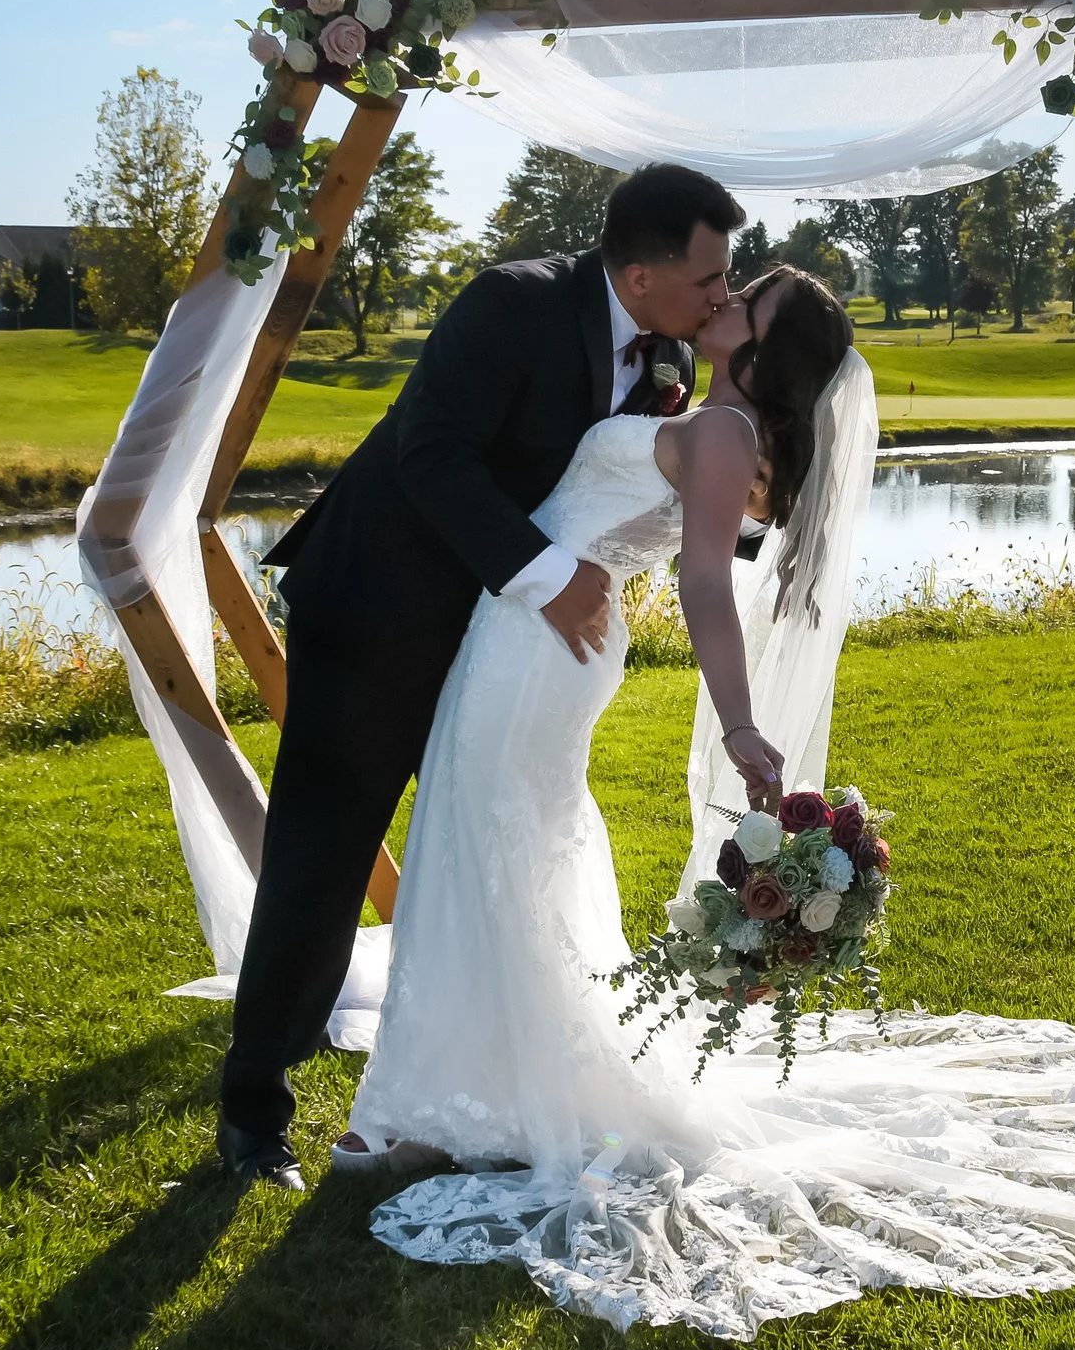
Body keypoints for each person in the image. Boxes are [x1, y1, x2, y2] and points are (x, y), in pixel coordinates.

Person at [331, 264, 1075, 1341]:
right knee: (496, 846)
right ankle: (469, 1090)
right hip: (538, 638)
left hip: (536, 652)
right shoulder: (701, 415)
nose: (724, 299)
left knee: (482, 843)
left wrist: (740, 721)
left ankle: (429, 1109)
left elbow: (709, 584)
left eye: (745, 300)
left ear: (766, 353)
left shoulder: (719, 436)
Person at [216, 165, 754, 1191]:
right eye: (708, 277)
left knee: (493, 850)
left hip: (493, 650)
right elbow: (432, 455)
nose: (720, 296)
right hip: (379, 602)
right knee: (324, 852)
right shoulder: (512, 304)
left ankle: (488, 1085)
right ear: (638, 275)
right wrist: (551, 579)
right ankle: (254, 1110)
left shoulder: (668, 355)